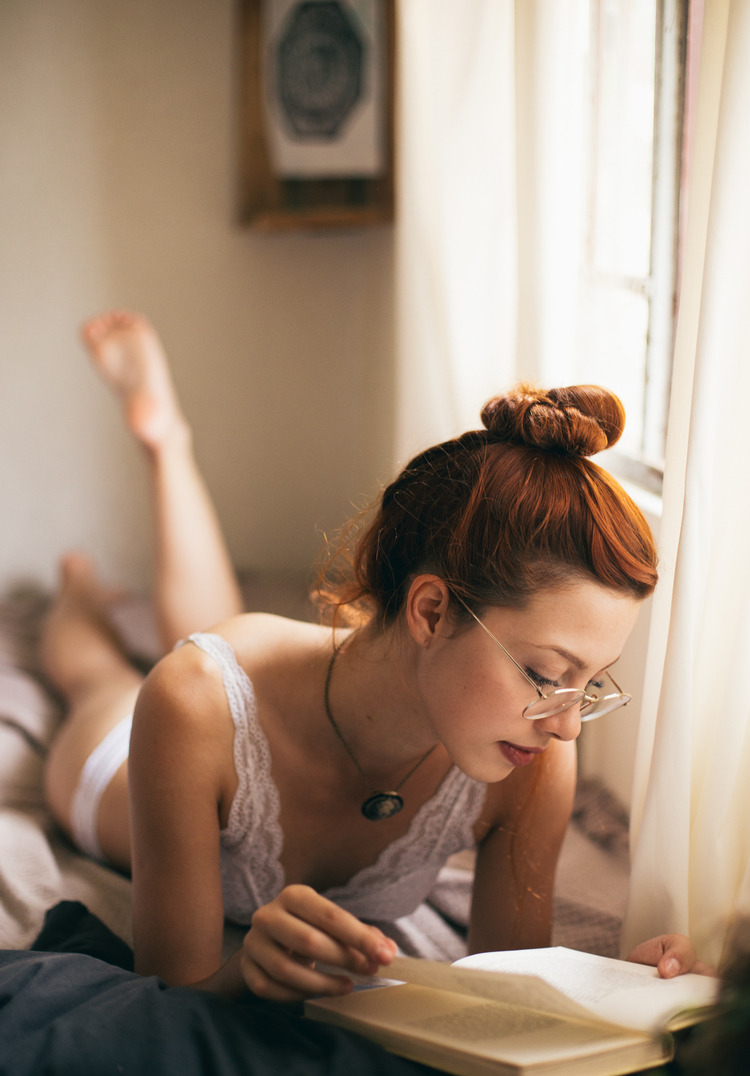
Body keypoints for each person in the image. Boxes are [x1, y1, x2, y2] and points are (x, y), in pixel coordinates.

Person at [41, 310, 705, 1003]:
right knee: (103, 677)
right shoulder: (190, 703)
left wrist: (628, 993)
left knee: (209, 638)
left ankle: (162, 461)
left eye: (589, 685)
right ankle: (84, 581)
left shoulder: (533, 760)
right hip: (118, 762)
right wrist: (245, 975)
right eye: (544, 674)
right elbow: (166, 996)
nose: (567, 725)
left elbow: (513, 999)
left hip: (267, 695)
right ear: (431, 610)